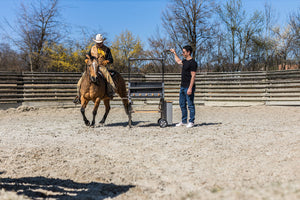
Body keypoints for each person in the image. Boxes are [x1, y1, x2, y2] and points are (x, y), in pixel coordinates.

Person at [73, 34, 116, 104]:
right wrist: (87, 60)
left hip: (102, 67)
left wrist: (106, 61)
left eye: (100, 43)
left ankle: (110, 91)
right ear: (96, 42)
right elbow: (87, 57)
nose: (99, 44)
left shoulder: (107, 49)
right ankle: (78, 95)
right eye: (98, 43)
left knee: (108, 77)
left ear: (102, 42)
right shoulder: (92, 48)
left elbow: (111, 60)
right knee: (81, 79)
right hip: (92, 67)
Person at [170, 45, 197, 128]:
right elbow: (178, 61)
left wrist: (190, 88)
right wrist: (174, 53)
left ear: (188, 52)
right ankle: (184, 121)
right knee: (182, 104)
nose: (182, 53)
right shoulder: (185, 62)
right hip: (182, 86)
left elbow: (193, 76)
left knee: (190, 105)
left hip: (188, 87)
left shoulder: (193, 63)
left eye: (184, 52)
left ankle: (191, 121)